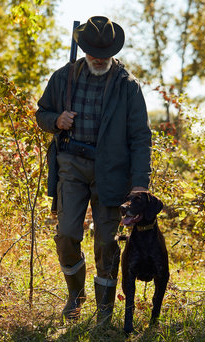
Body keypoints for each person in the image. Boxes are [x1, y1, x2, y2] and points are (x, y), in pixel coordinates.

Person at [36, 16, 152, 325]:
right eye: (92, 52)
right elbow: (41, 113)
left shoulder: (127, 86)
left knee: (105, 242)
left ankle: (104, 314)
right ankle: (75, 296)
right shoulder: (63, 77)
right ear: (83, 48)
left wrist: (140, 184)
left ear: (113, 51)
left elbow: (141, 136)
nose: (98, 58)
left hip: (112, 172)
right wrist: (56, 120)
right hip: (71, 165)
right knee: (66, 235)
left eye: (104, 53)